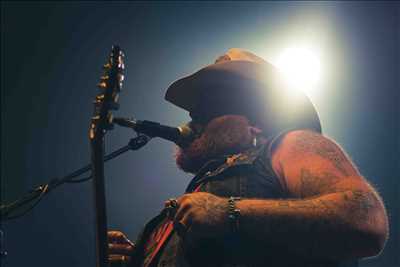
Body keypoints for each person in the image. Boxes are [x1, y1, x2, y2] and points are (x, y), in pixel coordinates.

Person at [108, 49, 389, 267]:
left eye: (210, 107)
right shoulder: (200, 191)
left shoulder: (292, 145)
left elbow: (365, 218)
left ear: (257, 122)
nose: (194, 116)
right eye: (195, 109)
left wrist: (229, 212)